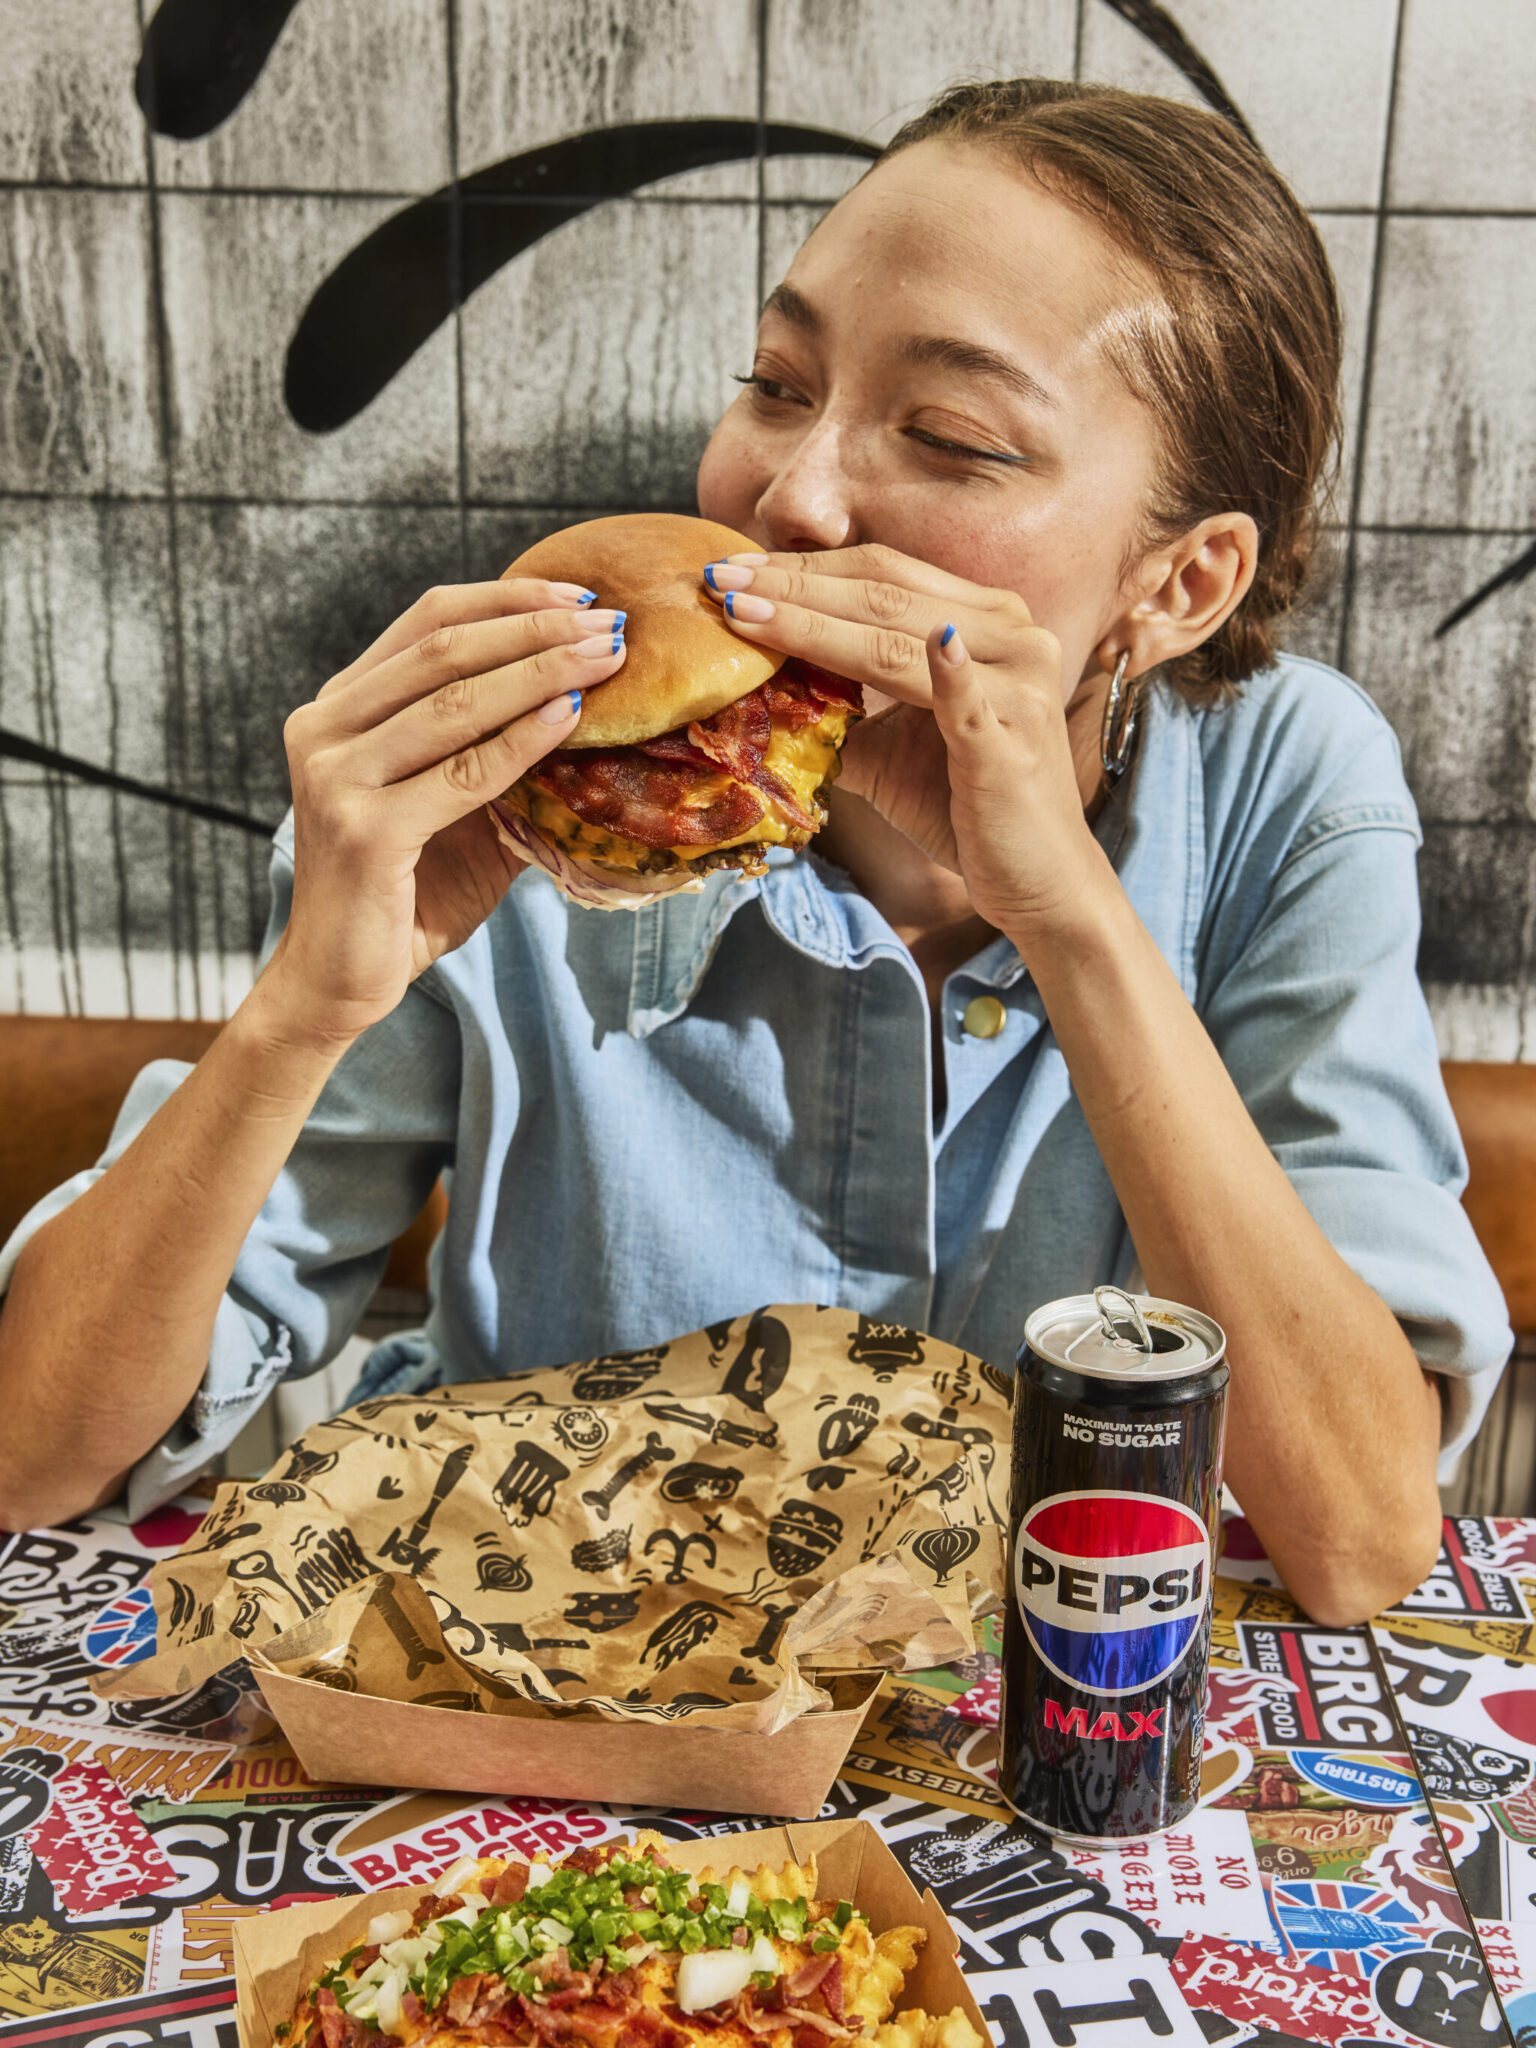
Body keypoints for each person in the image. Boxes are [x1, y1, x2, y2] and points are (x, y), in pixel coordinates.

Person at [0, 80, 1509, 1625]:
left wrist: (1069, 916)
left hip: (1015, 1721)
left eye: (951, 437)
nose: (791, 497)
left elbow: (1357, 1537)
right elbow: (33, 1457)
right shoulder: (520, 772)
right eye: (779, 383)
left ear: (1182, 583)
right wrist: (301, 1013)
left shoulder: (1286, 788)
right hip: (525, 1687)